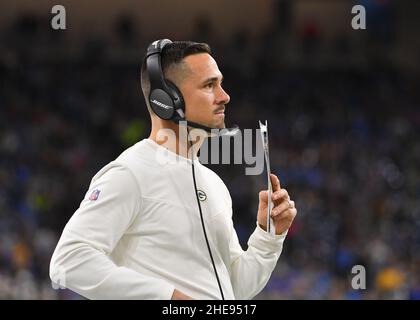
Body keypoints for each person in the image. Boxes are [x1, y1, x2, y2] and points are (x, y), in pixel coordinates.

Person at [49, 40, 297, 300]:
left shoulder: (214, 183)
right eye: (209, 85)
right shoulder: (130, 173)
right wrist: (168, 297)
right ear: (166, 99)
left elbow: (232, 289)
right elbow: (69, 260)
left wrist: (269, 236)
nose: (224, 96)